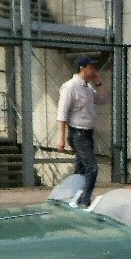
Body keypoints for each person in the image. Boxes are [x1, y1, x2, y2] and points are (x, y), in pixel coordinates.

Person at [57, 55, 108, 207]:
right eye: (91, 68)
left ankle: (73, 197)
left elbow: (103, 99)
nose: (94, 70)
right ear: (82, 68)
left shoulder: (88, 87)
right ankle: (84, 200)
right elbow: (62, 113)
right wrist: (61, 138)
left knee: (80, 170)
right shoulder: (70, 86)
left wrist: (98, 81)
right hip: (77, 133)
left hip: (87, 133)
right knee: (92, 167)